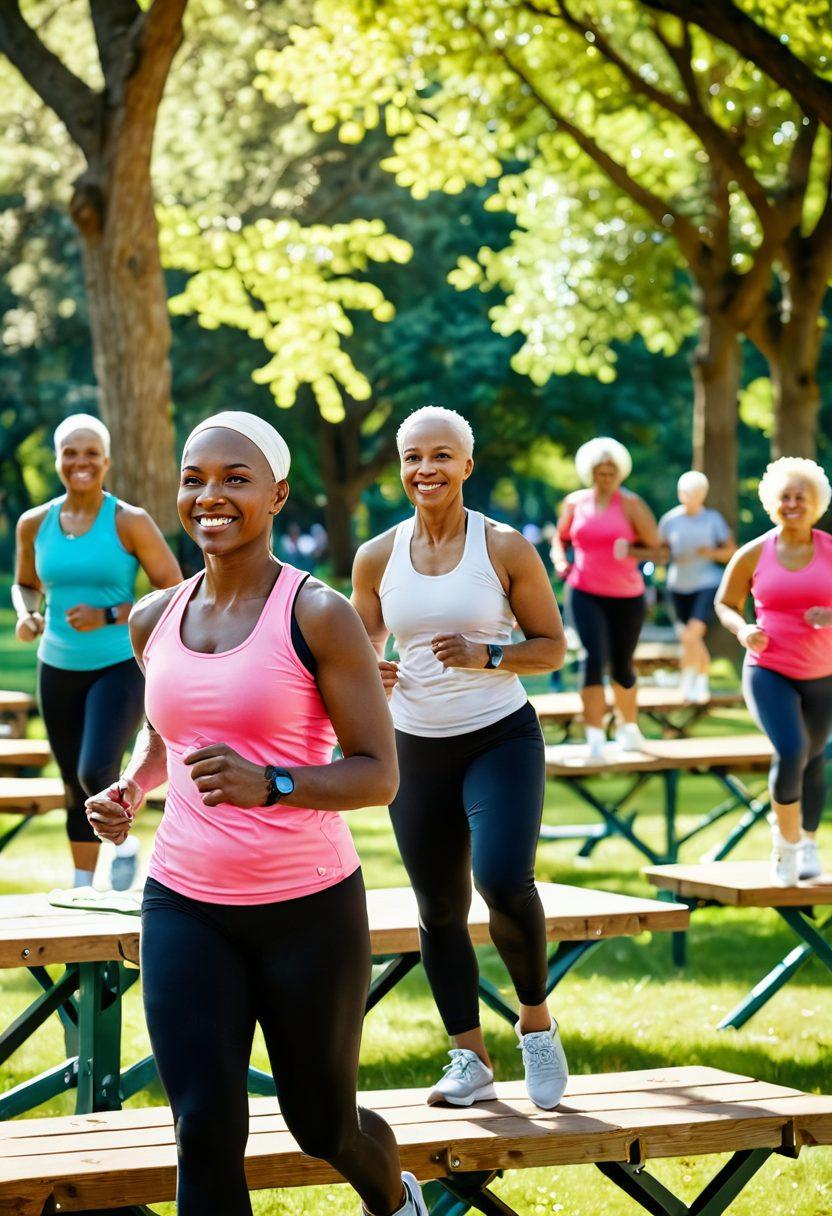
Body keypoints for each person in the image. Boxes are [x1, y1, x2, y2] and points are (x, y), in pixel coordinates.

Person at [85, 411, 427, 1216]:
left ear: (276, 494)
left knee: (321, 1124)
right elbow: (177, 738)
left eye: (235, 479)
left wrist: (271, 782)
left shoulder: (318, 614)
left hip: (307, 907)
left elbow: (379, 775)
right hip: (184, 904)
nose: (211, 495)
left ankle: (397, 1201)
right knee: (202, 1128)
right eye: (194, 478)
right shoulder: (152, 617)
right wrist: (133, 787)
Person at [352, 405, 569, 1111]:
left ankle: (535, 1022)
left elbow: (552, 646)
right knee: (438, 908)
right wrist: (370, 671)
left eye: (441, 456)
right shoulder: (377, 556)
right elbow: (355, 648)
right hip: (414, 747)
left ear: (466, 466)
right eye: (413, 457)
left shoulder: (503, 546)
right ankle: (468, 1056)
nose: (426, 470)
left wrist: (488, 655)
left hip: (499, 735)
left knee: (503, 879)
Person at [12, 414, 181, 890]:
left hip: (118, 664)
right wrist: (28, 613)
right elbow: (25, 584)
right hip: (57, 665)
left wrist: (109, 615)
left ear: (106, 461)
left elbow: (174, 589)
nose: (80, 462)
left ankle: (124, 844)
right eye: (70, 452)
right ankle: (82, 886)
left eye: (90, 453)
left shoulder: (129, 521)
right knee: (72, 782)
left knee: (95, 771)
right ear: (58, 461)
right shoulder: (33, 524)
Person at [715, 457, 832, 886]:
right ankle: (784, 847)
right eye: (785, 496)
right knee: (791, 749)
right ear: (773, 501)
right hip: (769, 669)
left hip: (824, 675)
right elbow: (725, 603)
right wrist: (744, 628)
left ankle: (808, 841)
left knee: (815, 757)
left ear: (816, 501)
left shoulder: (830, 550)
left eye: (801, 496)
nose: (793, 503)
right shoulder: (755, 552)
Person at [550, 437, 660, 758]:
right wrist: (560, 561)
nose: (606, 475)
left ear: (620, 472)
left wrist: (634, 550)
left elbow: (658, 550)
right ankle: (595, 736)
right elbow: (561, 538)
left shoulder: (632, 505)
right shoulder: (575, 504)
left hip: (627, 596)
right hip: (584, 591)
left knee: (622, 664)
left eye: (611, 470)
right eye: (600, 470)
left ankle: (629, 729)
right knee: (593, 658)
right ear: (590, 472)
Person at [659, 471, 736, 703]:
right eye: (684, 491)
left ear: (702, 494)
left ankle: (697, 682)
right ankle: (691, 681)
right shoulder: (669, 520)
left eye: (693, 492)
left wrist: (710, 552)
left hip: (706, 584)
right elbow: (659, 551)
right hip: (677, 585)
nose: (688, 496)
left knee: (693, 632)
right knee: (687, 637)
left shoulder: (713, 519)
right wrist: (667, 555)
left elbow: (731, 551)